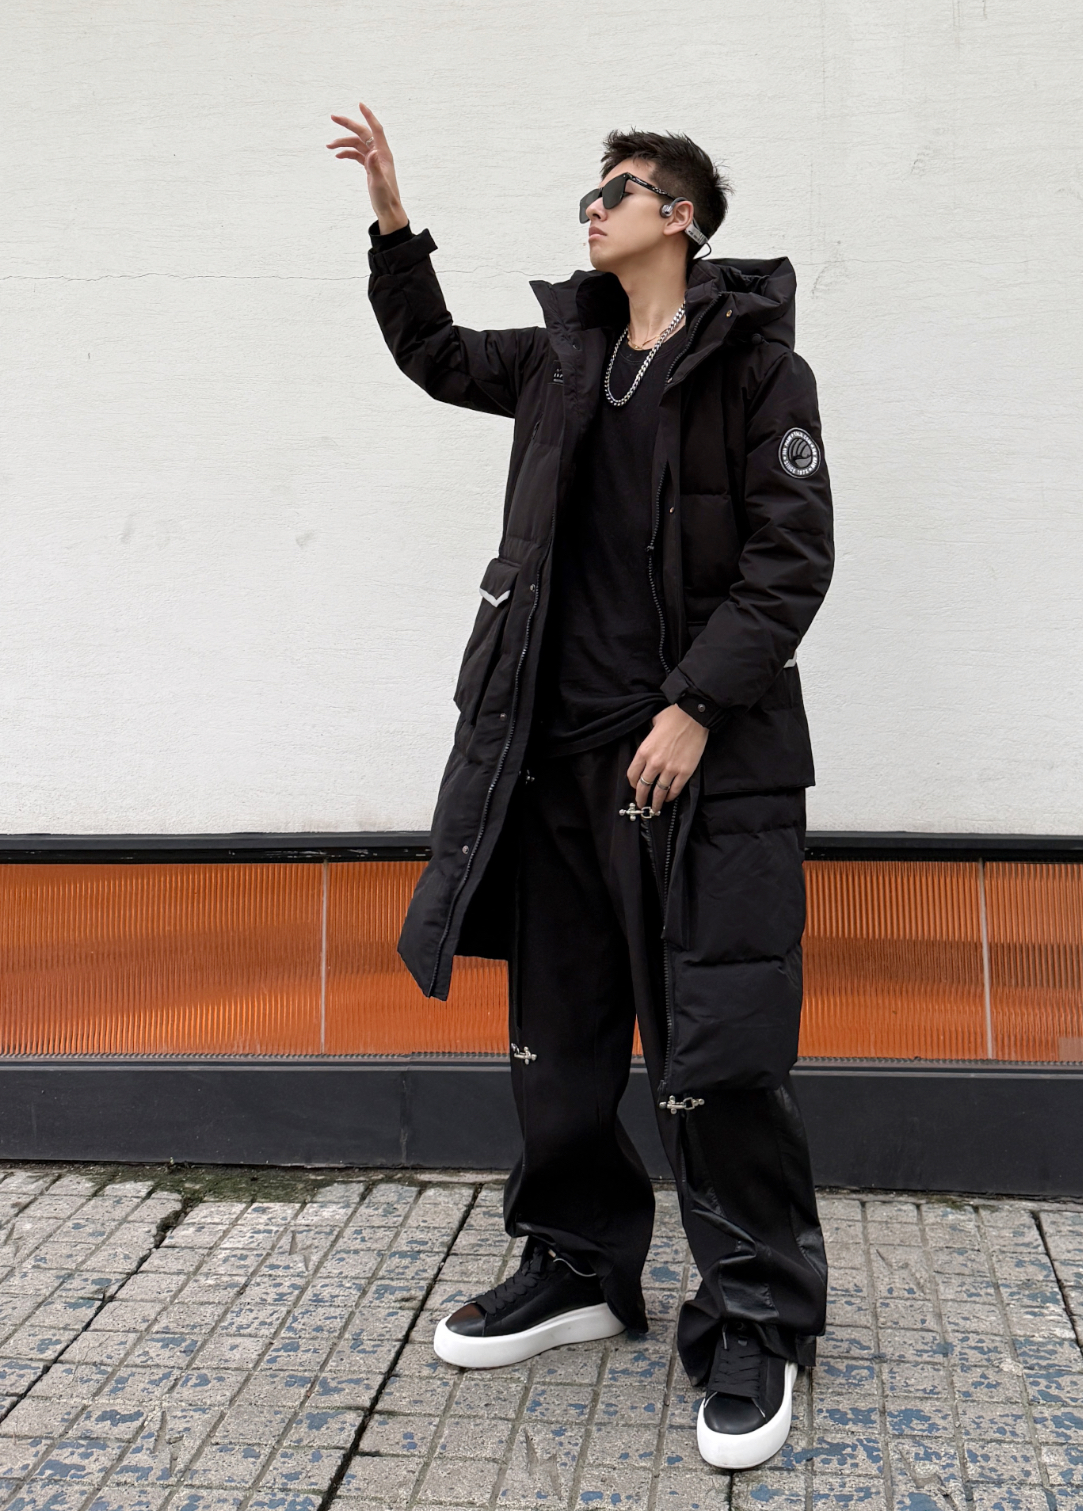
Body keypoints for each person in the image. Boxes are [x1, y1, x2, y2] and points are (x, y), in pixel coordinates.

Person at [328, 104, 834, 1471]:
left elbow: (792, 561)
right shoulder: (568, 358)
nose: (592, 208)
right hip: (551, 759)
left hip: (691, 769)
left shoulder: (757, 371)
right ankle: (577, 1265)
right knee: (557, 1035)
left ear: (681, 216)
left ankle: (756, 1316)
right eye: (588, 193)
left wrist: (695, 706)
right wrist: (393, 220)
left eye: (617, 189)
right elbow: (436, 356)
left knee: (713, 1049)